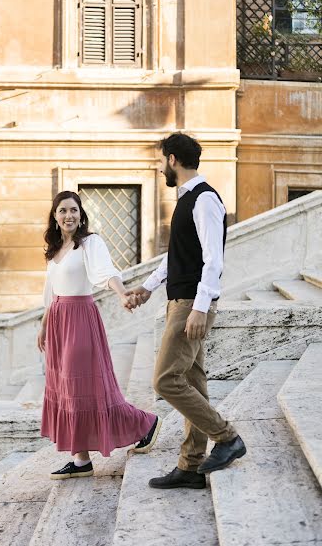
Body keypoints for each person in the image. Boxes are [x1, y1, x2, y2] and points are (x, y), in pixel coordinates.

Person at [128, 133, 246, 489]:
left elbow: (214, 258)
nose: (160, 165)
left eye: (162, 159)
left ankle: (227, 438)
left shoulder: (205, 199)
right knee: (193, 381)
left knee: (165, 380)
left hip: (190, 305)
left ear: (174, 159)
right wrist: (147, 288)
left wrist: (200, 306)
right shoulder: (186, 199)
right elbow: (176, 255)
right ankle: (191, 466)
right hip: (179, 302)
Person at [37, 190, 162, 480]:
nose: (69, 216)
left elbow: (105, 273)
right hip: (57, 321)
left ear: (81, 215)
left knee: (85, 388)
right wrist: (44, 325)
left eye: (73, 210)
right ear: (55, 217)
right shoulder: (54, 251)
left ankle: (145, 423)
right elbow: (50, 292)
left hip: (80, 319)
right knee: (67, 391)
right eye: (63, 211)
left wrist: (121, 294)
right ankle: (81, 460)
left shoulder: (90, 243)